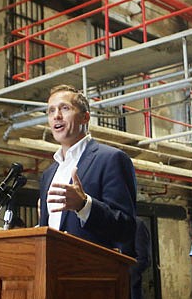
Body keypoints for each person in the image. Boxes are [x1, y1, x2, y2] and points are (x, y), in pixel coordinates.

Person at [38, 84, 136, 254]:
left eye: (65, 108)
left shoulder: (111, 159)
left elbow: (126, 229)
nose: (57, 116)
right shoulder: (48, 174)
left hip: (92, 273)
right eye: (51, 111)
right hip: (53, 272)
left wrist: (84, 205)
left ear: (85, 117)